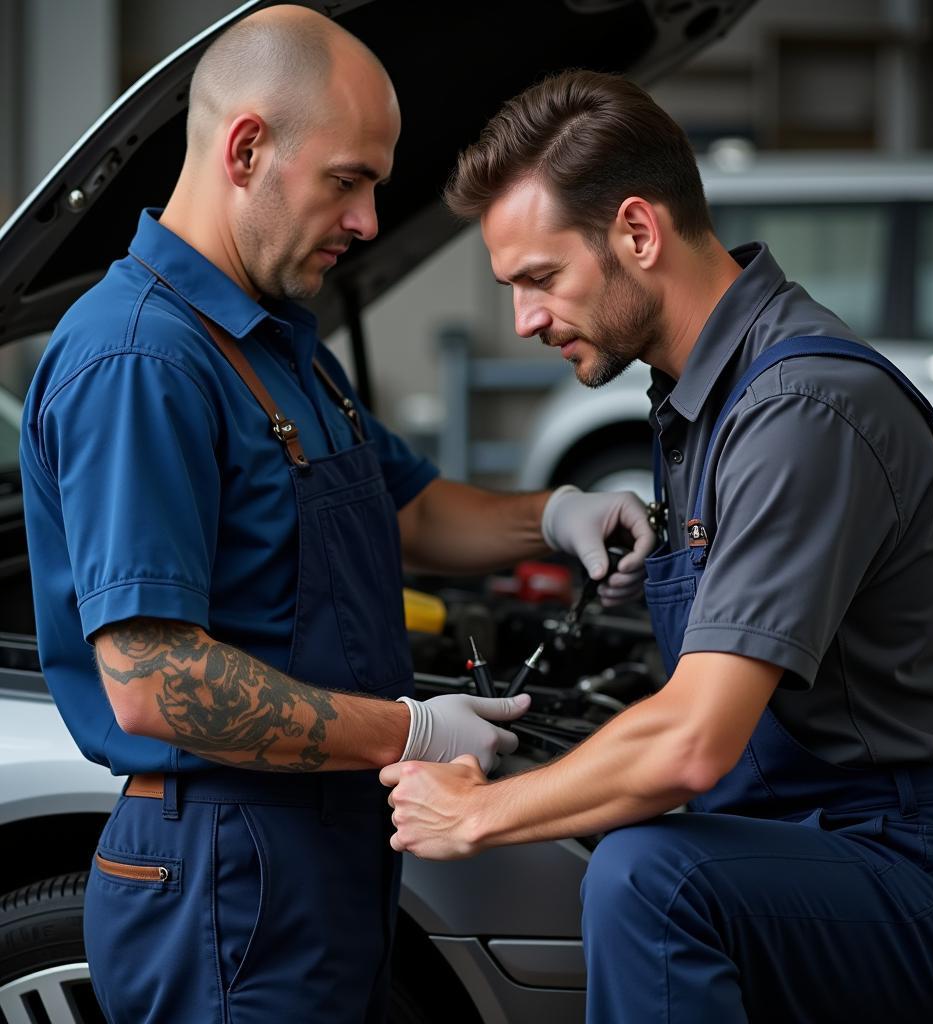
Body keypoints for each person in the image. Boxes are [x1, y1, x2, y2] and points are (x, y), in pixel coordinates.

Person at [18, 14, 655, 1023]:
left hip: (319, 857)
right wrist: (406, 728)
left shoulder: (274, 343)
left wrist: (560, 516)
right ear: (246, 149)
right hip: (227, 874)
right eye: (347, 180)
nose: (365, 220)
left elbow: (411, 510)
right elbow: (154, 682)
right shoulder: (141, 360)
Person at [382, 70, 933, 1023]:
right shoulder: (698, 404)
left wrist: (480, 810)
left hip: (907, 871)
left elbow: (690, 744)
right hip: (804, 834)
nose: (523, 320)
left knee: (652, 879)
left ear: (639, 233)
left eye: (540, 278)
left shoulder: (799, 408)